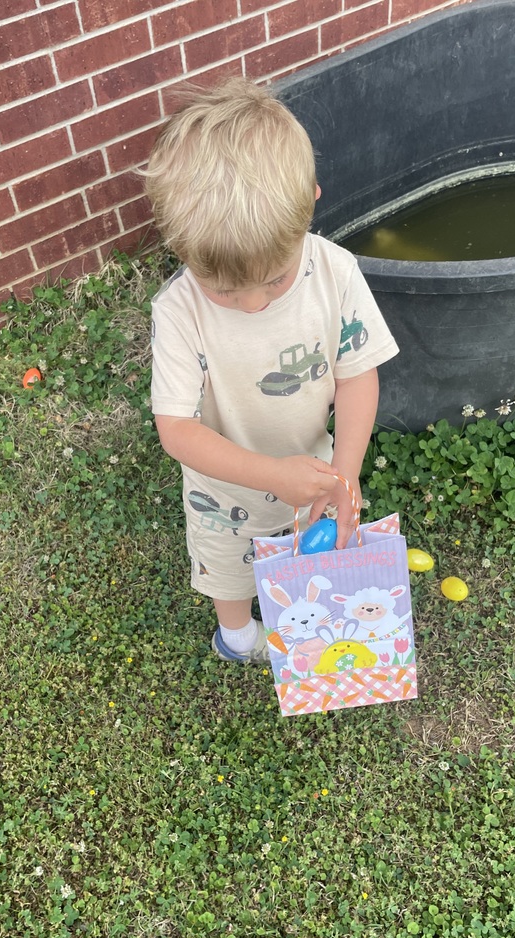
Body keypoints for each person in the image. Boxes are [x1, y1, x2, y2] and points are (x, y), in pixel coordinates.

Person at [144, 78, 398, 663]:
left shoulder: (335, 272)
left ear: (311, 202)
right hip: (223, 490)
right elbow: (176, 429)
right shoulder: (179, 310)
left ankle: (303, 614)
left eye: (274, 280)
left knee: (307, 550)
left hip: (313, 468)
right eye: (226, 290)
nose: (254, 305)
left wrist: (345, 473)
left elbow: (357, 374)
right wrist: (268, 475)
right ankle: (235, 637)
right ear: (181, 249)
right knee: (230, 570)